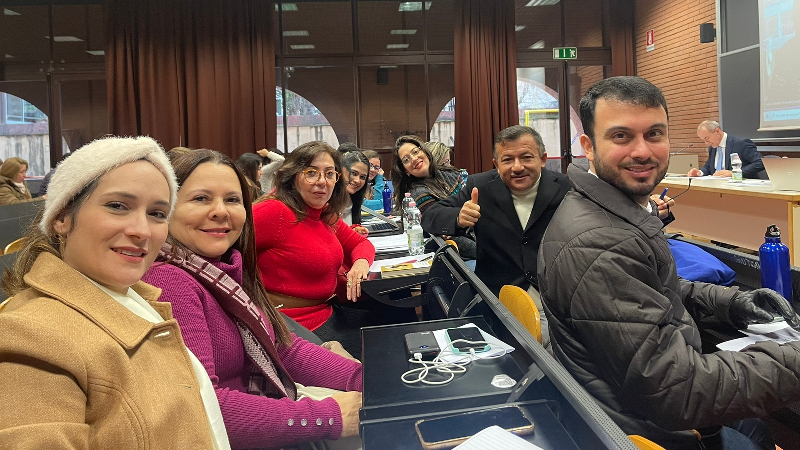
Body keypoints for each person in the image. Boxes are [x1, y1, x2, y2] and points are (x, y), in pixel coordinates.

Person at [538, 76, 800, 449]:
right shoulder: (600, 241)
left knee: (757, 427)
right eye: (621, 136)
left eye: (654, 134)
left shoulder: (609, 210)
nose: (642, 151)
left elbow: (652, 287)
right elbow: (679, 392)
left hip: (629, 406)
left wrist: (733, 303)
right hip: (648, 429)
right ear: (589, 146)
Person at [0, 136, 229, 448]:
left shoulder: (139, 300)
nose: (142, 231)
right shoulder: (30, 335)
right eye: (118, 206)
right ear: (61, 217)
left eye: (157, 213)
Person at [142, 149, 362, 449]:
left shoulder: (224, 269)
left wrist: (364, 379)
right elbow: (202, 406)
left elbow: (282, 349)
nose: (220, 211)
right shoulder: (169, 281)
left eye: (232, 200)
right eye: (201, 198)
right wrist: (328, 417)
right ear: (165, 208)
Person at [422, 125, 570, 349]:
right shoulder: (480, 187)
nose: (517, 167)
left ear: (542, 159)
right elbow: (430, 217)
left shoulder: (566, 188)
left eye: (526, 157)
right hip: (498, 302)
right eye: (507, 159)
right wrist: (458, 218)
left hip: (556, 301)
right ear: (496, 164)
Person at [252, 141, 376, 358]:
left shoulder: (322, 214)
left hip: (328, 312)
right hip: (296, 329)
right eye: (311, 173)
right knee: (389, 347)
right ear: (293, 177)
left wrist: (361, 263)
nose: (322, 181)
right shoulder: (273, 211)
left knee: (397, 321)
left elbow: (361, 244)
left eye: (330, 174)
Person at [687, 120, 764, 179]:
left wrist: (734, 173)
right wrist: (699, 172)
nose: (706, 143)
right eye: (703, 140)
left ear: (717, 131)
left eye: (707, 138)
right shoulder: (712, 148)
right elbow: (709, 167)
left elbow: (760, 162)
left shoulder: (741, 143)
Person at [340, 151, 370, 236]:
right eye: (353, 173)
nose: (357, 180)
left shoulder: (353, 201)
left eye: (362, 177)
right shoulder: (326, 203)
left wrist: (354, 230)